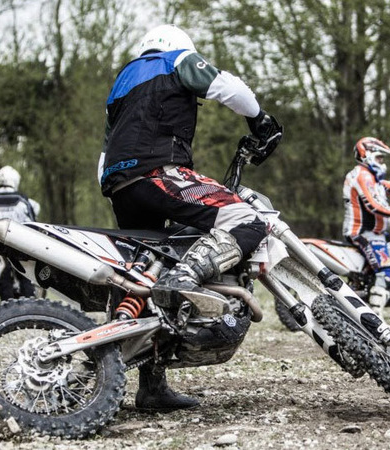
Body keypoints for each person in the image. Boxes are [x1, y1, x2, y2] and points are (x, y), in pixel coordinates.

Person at [98, 24, 282, 412]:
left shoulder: (121, 81)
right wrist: (259, 118)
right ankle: (188, 277)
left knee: (145, 272)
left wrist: (115, 180)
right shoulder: (176, 59)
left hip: (119, 183)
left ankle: (151, 387)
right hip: (158, 171)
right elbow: (227, 87)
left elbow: (106, 144)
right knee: (247, 220)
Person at [342, 137, 390, 318]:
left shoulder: (370, 176)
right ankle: (374, 318)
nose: (382, 163)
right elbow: (373, 204)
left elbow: (386, 186)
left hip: (376, 233)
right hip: (363, 233)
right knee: (386, 271)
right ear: (367, 155)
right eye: (379, 158)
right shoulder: (361, 175)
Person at [0, 165, 39, 301]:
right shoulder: (22, 200)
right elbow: (32, 224)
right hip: (20, 245)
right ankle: (29, 310)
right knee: (26, 276)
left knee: (3, 277)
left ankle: (8, 311)